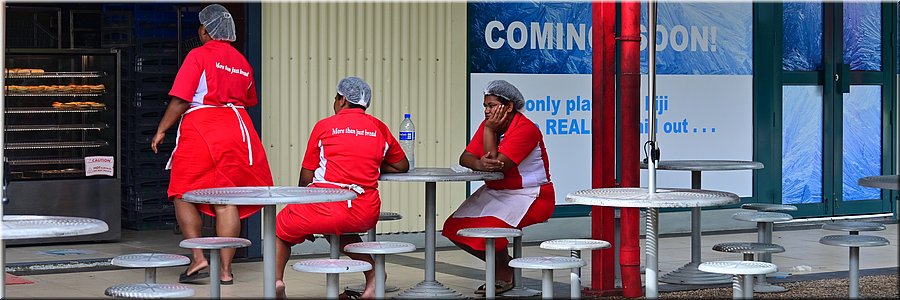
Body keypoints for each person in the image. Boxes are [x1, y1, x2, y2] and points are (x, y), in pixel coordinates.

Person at [150, 4, 273, 285]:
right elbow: (249, 99)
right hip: (238, 130)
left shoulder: (198, 55)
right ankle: (226, 271)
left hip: (203, 127)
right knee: (226, 199)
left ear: (205, 30)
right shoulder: (242, 62)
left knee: (182, 192)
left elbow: (182, 98)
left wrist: (161, 130)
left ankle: (198, 258)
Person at [274, 77, 409, 299]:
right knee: (338, 228)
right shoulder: (379, 128)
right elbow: (402, 165)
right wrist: (372, 164)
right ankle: (374, 275)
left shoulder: (324, 126)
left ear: (342, 99)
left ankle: (276, 280)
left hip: (323, 206)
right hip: (365, 210)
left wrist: (303, 209)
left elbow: (306, 177)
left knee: (278, 231)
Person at [442, 80, 555, 295]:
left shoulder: (526, 129)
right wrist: (478, 163)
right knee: (453, 228)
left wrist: (489, 131)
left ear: (509, 106)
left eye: (492, 105)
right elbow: (465, 157)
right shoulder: (488, 125)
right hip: (495, 192)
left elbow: (496, 165)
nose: (487, 111)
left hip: (531, 195)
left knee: (486, 231)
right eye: (485, 106)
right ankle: (504, 265)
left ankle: (503, 271)